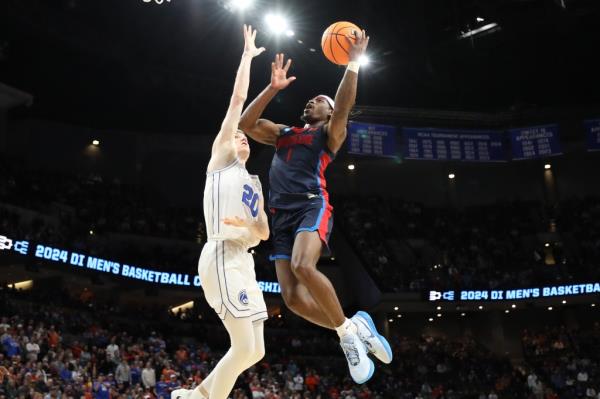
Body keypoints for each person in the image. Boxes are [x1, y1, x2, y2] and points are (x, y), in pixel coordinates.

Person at [238, 29, 391, 383]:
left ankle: (347, 335)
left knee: (304, 267)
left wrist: (352, 64)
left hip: (311, 206)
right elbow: (246, 124)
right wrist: (273, 89)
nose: (310, 102)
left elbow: (346, 106)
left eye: (319, 100)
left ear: (330, 111)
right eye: (309, 100)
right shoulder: (283, 132)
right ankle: (352, 327)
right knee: (291, 299)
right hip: (280, 217)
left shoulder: (330, 134)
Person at [172, 25, 269, 399]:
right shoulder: (222, 160)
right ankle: (200, 398)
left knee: (256, 349)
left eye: (245, 138)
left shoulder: (253, 184)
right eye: (237, 135)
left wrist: (248, 222)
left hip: (243, 260)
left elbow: (262, 233)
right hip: (220, 254)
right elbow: (237, 100)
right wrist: (247, 57)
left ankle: (194, 395)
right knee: (243, 347)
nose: (240, 137)